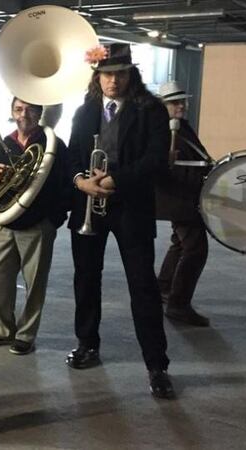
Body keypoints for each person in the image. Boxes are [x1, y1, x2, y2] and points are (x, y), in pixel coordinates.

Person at [66, 43, 174, 399]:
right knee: (85, 278)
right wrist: (81, 182)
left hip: (132, 207)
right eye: (106, 74)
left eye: (119, 73)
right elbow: (72, 156)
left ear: (131, 74)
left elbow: (156, 158)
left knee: (142, 286)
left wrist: (116, 180)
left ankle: (156, 365)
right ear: (98, 76)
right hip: (89, 204)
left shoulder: (151, 109)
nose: (113, 80)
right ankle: (87, 343)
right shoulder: (85, 111)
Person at [0, 97, 69, 355]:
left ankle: (26, 334)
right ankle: (2, 329)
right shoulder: (6, 143)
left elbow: (65, 184)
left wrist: (53, 219)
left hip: (38, 224)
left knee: (34, 282)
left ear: (39, 112)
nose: (23, 114)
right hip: (7, 222)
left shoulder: (54, 145)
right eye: (18, 109)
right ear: (12, 112)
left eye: (29, 109)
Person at [155, 80, 212, 327]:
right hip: (177, 199)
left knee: (180, 243)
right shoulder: (163, 131)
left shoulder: (181, 128)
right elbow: (167, 170)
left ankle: (165, 287)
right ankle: (179, 305)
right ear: (162, 106)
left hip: (184, 196)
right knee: (195, 249)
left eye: (182, 101)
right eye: (174, 103)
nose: (180, 106)